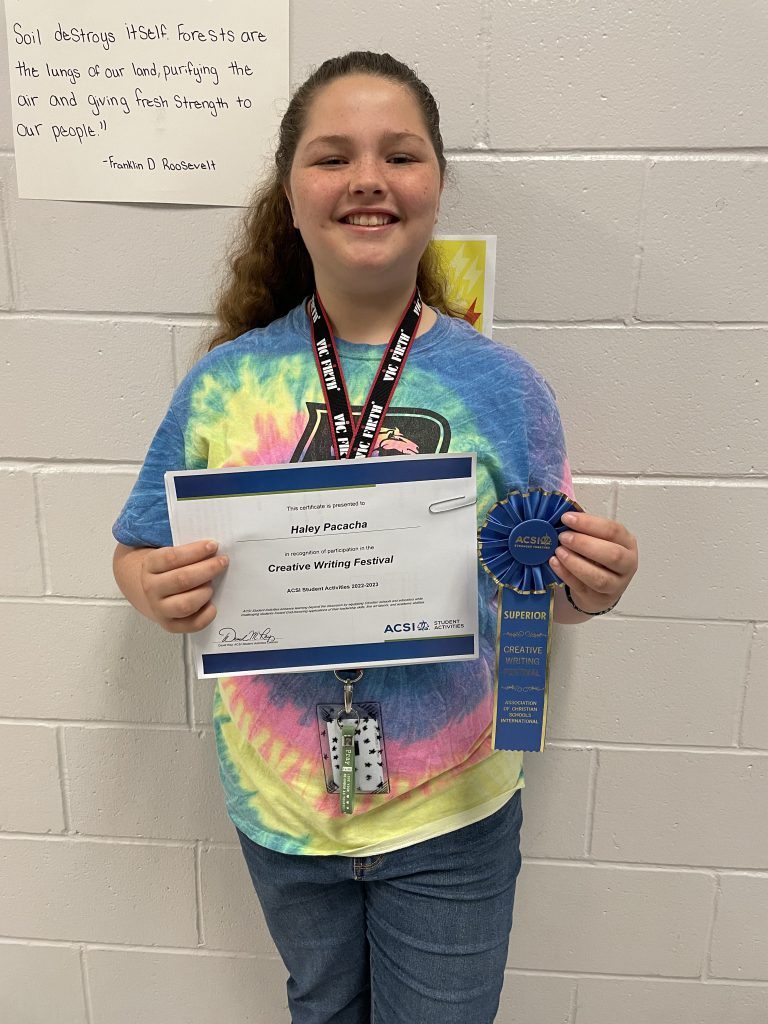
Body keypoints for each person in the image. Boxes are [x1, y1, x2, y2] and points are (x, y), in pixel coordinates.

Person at [113, 51, 638, 1024]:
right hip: (278, 806)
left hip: (454, 807)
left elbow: (540, 577)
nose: (367, 179)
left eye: (399, 154)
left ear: (436, 183)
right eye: (332, 157)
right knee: (321, 1010)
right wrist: (152, 586)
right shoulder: (225, 385)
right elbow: (136, 547)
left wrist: (585, 583)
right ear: (292, 191)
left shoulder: (504, 388)